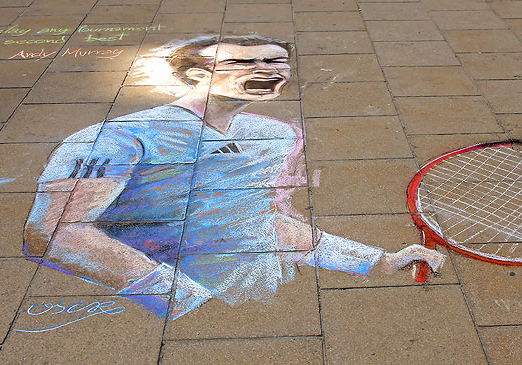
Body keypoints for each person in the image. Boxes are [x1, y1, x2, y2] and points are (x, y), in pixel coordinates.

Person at [24, 36, 445, 319]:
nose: (267, 70)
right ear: (193, 75)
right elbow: (54, 232)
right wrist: (176, 298)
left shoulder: (271, 135)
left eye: (276, 61)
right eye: (243, 62)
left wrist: (376, 260)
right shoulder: (116, 139)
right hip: (164, 308)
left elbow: (251, 223)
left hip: (253, 300)